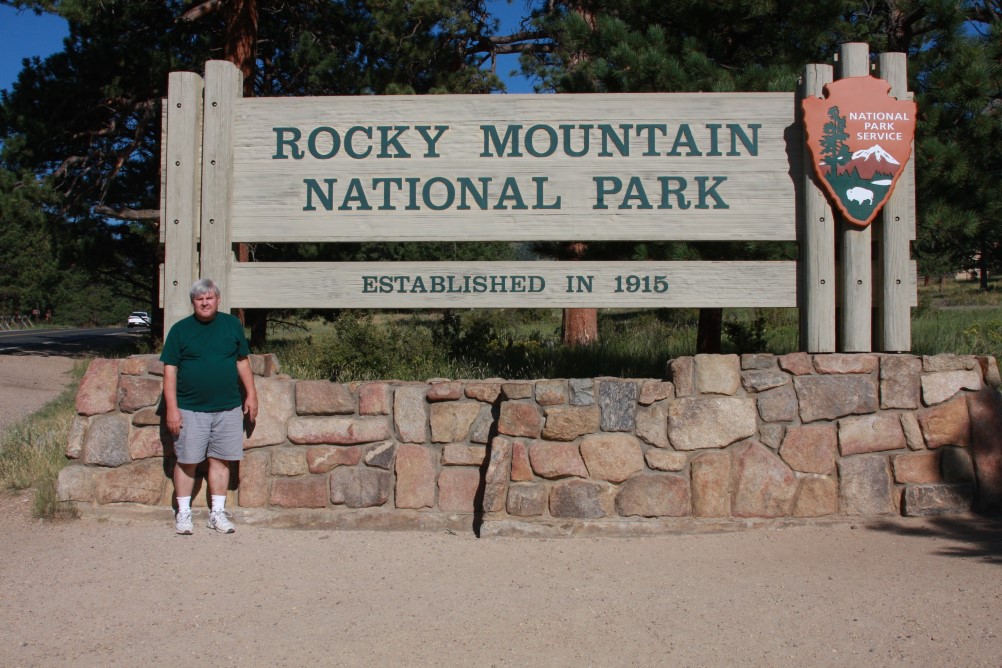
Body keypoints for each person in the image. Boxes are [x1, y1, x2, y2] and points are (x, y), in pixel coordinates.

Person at [161, 278, 258, 535]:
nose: (205, 302)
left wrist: (251, 395)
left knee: (221, 461)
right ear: (193, 302)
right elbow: (169, 371)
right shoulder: (180, 330)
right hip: (190, 408)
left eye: (209, 298)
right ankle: (183, 514)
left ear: (218, 300)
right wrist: (172, 408)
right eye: (199, 299)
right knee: (187, 461)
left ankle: (217, 513)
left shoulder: (231, 325)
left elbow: (242, 362)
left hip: (227, 407)